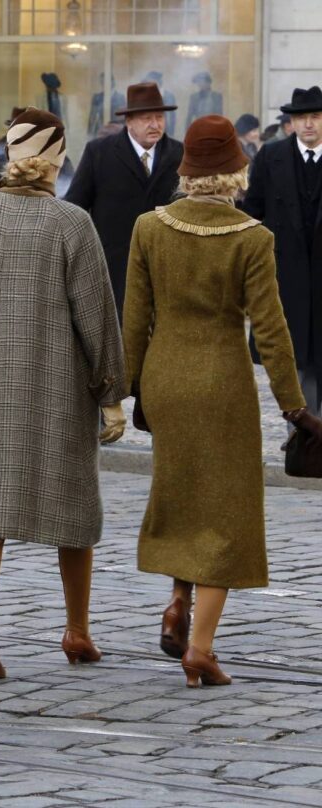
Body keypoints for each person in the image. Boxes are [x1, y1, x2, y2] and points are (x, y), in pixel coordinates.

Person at [0, 108, 126, 680]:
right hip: (56, 381)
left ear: (8, 153)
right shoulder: (71, 222)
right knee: (72, 508)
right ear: (58, 157)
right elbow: (96, 316)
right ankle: (77, 630)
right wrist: (110, 391)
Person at [124, 115, 321, 688]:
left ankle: (176, 603)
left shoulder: (148, 229)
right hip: (222, 383)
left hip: (165, 378)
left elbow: (134, 318)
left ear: (186, 173)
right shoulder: (252, 237)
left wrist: (131, 390)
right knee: (227, 514)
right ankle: (201, 650)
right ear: (238, 170)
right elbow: (272, 329)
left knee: (182, 495)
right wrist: (295, 407)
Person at [64, 81, 182, 314]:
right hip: (114, 267)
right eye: (146, 118)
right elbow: (75, 207)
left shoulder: (179, 153)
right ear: (129, 122)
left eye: (159, 117)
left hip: (166, 266)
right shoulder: (99, 152)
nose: (154, 124)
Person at [243, 86, 322, 413]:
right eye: (301, 118)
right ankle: (303, 436)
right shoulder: (271, 157)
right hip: (286, 278)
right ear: (290, 122)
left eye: (315, 117)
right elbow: (252, 214)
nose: (308, 124)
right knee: (293, 360)